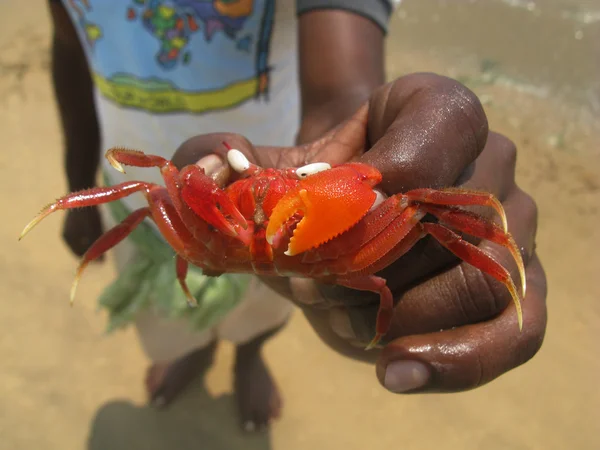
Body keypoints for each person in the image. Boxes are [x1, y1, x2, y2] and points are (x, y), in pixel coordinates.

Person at [48, 0, 547, 432]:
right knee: (153, 206)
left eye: (283, 197)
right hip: (191, 227)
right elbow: (71, 52)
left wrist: (357, 132)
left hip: (320, 238)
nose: (268, 200)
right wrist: (74, 188)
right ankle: (193, 352)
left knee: (416, 214)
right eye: (256, 194)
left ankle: (249, 355)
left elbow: (347, 98)